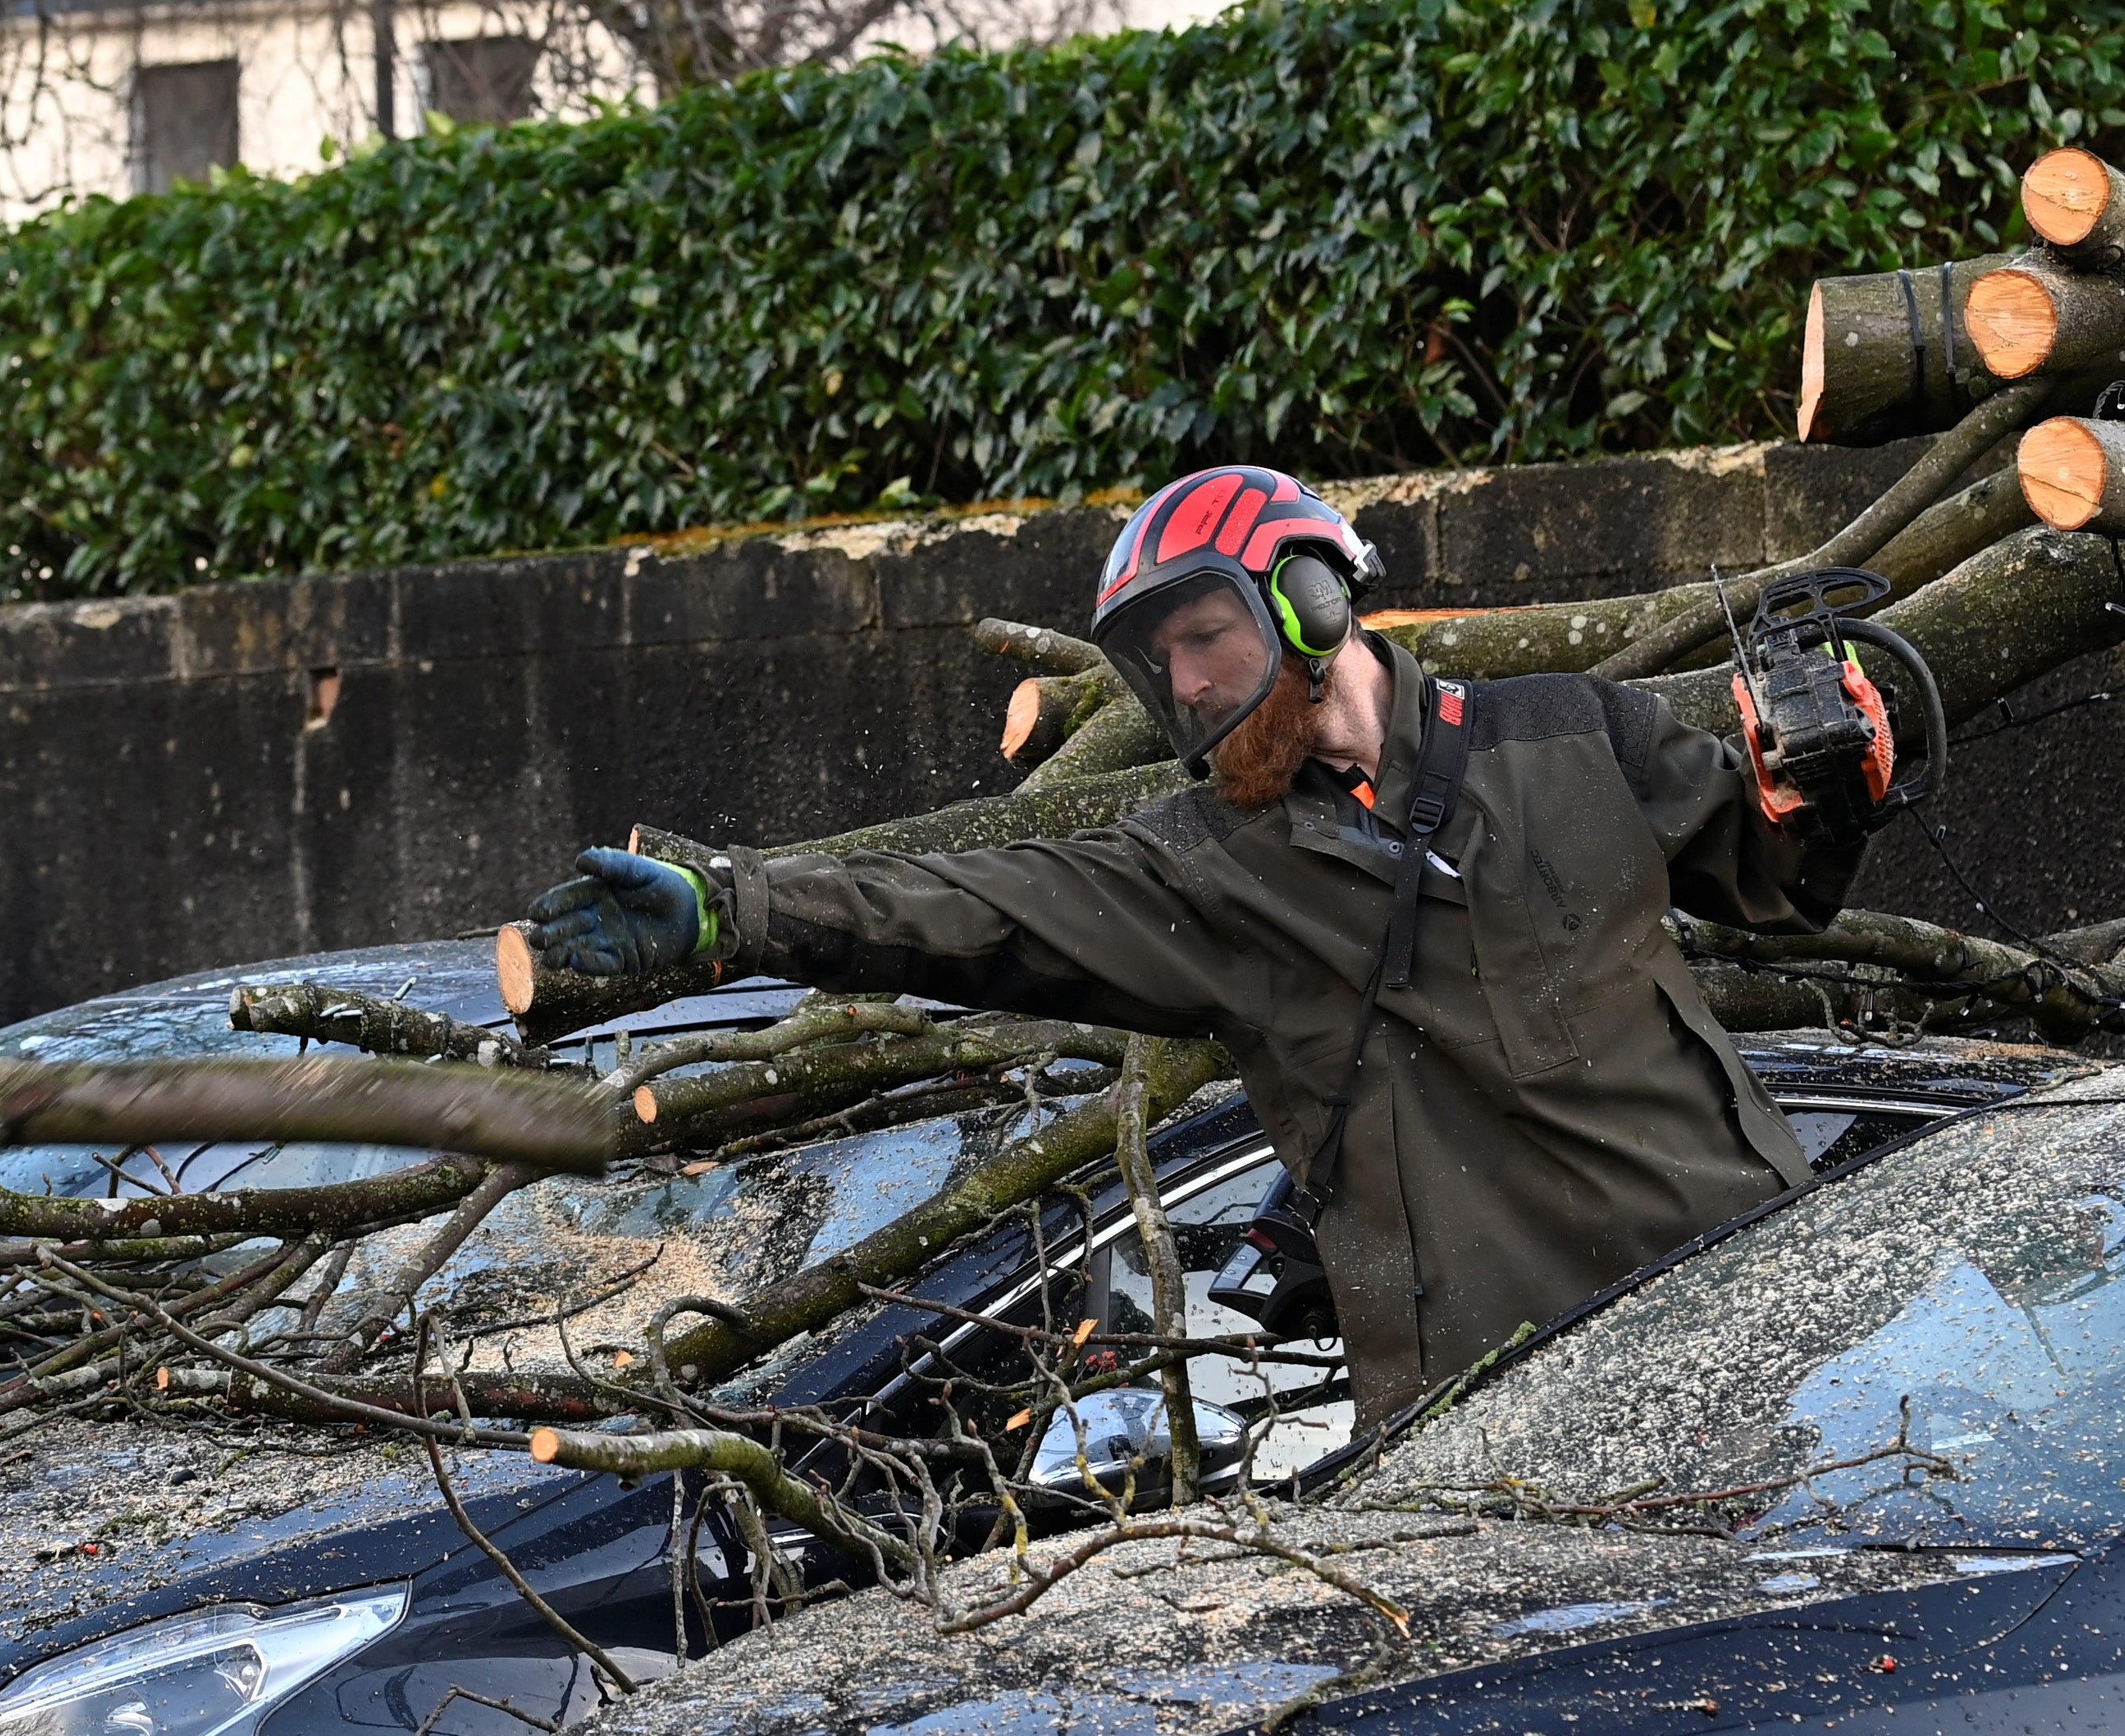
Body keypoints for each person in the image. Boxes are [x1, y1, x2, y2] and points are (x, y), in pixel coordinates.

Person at [519, 465, 1894, 1429]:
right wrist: (733, 907)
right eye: (1153, 659)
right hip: (1494, 1413)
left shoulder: (1567, 731)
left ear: (1310, 598)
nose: (1178, 685)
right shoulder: (1207, 870)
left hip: (1756, 1321)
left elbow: (1779, 880)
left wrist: (1829, 782)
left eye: (1202, 637)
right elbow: (974, 907)